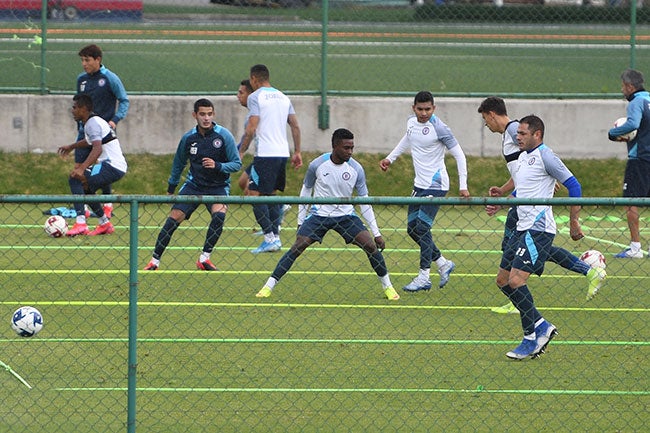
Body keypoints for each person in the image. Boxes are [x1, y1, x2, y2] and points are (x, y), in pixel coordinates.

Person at [478, 97, 607, 311]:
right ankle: (586, 271)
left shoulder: (512, 131)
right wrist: (503, 192)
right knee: (535, 249)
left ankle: (517, 293)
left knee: (518, 250)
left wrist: (549, 177)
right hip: (521, 202)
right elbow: (522, 172)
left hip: (529, 207)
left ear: (492, 114)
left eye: (485, 119)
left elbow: (538, 161)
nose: (486, 124)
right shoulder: (512, 137)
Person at [256, 128, 400, 301]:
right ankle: (268, 286)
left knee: (370, 246)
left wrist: (376, 233)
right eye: (346, 148)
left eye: (352, 148)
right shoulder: (317, 165)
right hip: (319, 215)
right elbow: (306, 190)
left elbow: (364, 200)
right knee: (298, 246)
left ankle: (388, 287)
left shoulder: (356, 169)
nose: (350, 152)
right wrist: (300, 221)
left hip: (346, 216)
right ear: (334, 146)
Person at [498, 115, 585, 359]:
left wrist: (573, 222)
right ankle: (541, 325)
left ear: (537, 135)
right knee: (503, 280)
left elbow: (574, 185)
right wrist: (503, 201)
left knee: (516, 281)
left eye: (523, 134)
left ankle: (530, 339)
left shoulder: (547, 156)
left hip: (538, 229)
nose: (518, 137)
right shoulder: (523, 158)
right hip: (521, 227)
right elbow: (522, 189)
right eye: (518, 134)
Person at [379, 91, 469, 292]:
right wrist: (389, 159)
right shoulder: (411, 123)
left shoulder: (440, 128)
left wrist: (463, 186)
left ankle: (424, 277)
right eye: (420, 109)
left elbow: (460, 156)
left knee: (421, 228)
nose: (424, 113)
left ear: (434, 108)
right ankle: (443, 263)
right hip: (419, 185)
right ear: (414, 108)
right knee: (412, 229)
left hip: (436, 185)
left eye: (428, 109)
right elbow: (407, 139)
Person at [143, 98, 242, 271]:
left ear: (214, 114)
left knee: (219, 217)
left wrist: (218, 165)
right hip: (194, 186)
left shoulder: (224, 135)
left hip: (218, 187)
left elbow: (237, 163)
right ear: (194, 115)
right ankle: (154, 261)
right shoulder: (188, 138)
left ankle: (204, 258)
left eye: (209, 114)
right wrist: (171, 188)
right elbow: (178, 164)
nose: (206, 118)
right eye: (202, 114)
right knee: (173, 220)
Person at [238, 64, 302, 254]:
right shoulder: (283, 97)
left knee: (253, 194)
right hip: (282, 153)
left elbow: (251, 128)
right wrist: (298, 151)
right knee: (271, 195)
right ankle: (275, 236)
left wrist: (242, 151)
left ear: (254, 79)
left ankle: (269, 238)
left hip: (265, 154)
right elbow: (295, 126)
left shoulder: (255, 97)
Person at [69, 44, 129, 221]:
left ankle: (107, 206)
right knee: (78, 170)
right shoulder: (81, 80)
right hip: (84, 133)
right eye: (82, 60)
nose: (84, 64)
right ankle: (85, 210)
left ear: (98, 60)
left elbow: (124, 100)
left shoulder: (110, 78)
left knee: (103, 167)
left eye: (87, 60)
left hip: (102, 133)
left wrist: (115, 120)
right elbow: (79, 103)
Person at [57, 94, 127, 236]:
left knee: (75, 178)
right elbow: (89, 141)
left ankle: (81, 223)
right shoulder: (92, 122)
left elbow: (97, 148)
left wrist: (82, 168)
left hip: (112, 166)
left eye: (75, 107)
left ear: (84, 109)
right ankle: (104, 224)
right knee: (85, 187)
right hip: (113, 166)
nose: (72, 110)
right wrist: (71, 146)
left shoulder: (93, 123)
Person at [608, 69, 650, 259]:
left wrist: (613, 133)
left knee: (631, 202)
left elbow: (633, 123)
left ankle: (635, 248)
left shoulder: (636, 102)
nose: (622, 89)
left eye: (623, 86)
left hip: (639, 159)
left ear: (630, 86)